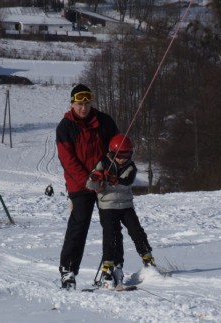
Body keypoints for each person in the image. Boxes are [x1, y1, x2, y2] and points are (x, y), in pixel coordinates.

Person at [56, 83, 119, 289]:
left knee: (111, 223)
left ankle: (112, 267)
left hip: (104, 183)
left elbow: (114, 149)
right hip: (80, 185)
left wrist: (106, 174)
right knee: (79, 224)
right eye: (79, 103)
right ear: (72, 104)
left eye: (87, 103)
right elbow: (68, 160)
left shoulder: (104, 121)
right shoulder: (65, 127)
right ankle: (68, 270)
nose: (84, 107)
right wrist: (88, 179)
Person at [86, 134, 156, 289]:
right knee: (111, 235)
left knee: (136, 231)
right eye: (119, 155)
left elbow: (126, 183)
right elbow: (89, 185)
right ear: (111, 153)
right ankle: (108, 267)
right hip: (107, 207)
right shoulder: (103, 163)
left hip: (125, 206)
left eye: (127, 155)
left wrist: (113, 180)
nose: (123, 159)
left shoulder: (131, 167)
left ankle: (147, 258)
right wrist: (95, 179)